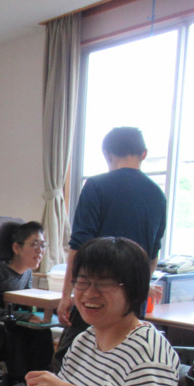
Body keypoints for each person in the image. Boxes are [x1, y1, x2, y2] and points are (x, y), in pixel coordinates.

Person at [0, 237, 179, 386]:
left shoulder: (149, 351)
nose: (89, 293)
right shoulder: (85, 339)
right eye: (82, 282)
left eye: (104, 284)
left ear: (135, 290)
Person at [54, 127, 167, 372]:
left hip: (96, 295)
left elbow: (79, 248)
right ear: (144, 154)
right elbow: (153, 255)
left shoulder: (96, 186)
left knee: (71, 363)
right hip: (131, 301)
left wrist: (67, 295)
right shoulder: (157, 195)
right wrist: (138, 289)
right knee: (120, 365)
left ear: (107, 154)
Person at [0, 221, 54, 386]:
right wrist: (24, 317)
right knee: (16, 334)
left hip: (13, 322)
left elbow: (25, 301)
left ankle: (43, 379)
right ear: (16, 248)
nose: (40, 250)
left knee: (43, 331)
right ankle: (17, 382)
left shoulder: (27, 272)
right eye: (34, 244)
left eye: (43, 245)